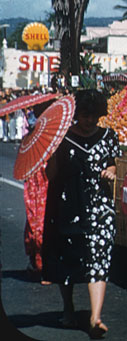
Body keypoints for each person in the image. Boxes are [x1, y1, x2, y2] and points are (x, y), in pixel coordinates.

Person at [42, 90, 120, 338]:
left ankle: (95, 317)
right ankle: (68, 307)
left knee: (99, 258)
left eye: (94, 116)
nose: (89, 122)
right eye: (85, 116)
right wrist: (53, 151)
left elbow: (111, 163)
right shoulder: (61, 138)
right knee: (68, 258)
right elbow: (51, 176)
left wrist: (111, 171)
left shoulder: (109, 136)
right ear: (76, 115)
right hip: (68, 205)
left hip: (99, 207)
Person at [23, 100, 53, 283]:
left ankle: (40, 263)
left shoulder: (34, 135)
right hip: (40, 184)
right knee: (40, 223)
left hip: (40, 184)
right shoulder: (43, 136)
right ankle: (42, 265)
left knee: (37, 222)